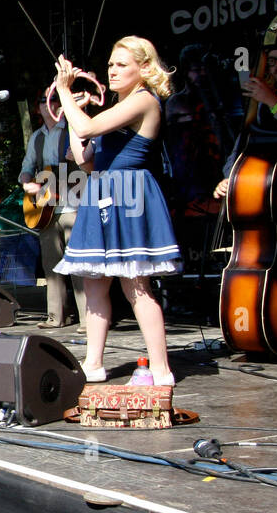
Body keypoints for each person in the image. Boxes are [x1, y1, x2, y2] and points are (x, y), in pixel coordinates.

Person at [52, 37, 181, 385]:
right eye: (111, 63)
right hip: (104, 191)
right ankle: (93, 363)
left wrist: (65, 92)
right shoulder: (115, 106)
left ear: (144, 68)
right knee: (94, 285)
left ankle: (161, 368)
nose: (112, 69)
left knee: (135, 284)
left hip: (129, 193)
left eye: (121, 64)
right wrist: (73, 111)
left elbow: (88, 129)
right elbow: (84, 159)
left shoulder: (143, 100)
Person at [20, 89, 87, 330]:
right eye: (43, 101)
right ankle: (56, 316)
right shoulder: (36, 137)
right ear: (38, 108)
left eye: (53, 100)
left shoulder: (73, 129)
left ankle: (89, 319)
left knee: (79, 263)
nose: (48, 105)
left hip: (73, 202)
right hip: (46, 209)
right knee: (51, 265)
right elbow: (27, 167)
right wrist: (27, 182)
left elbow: (89, 159)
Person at [214, 37, 277, 202]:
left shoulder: (268, 97)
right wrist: (230, 177)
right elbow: (244, 142)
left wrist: (272, 101)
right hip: (272, 192)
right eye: (272, 61)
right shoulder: (263, 100)